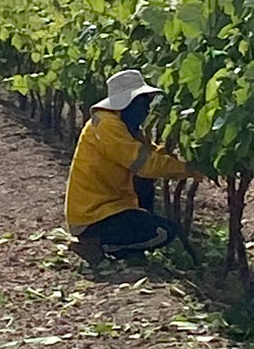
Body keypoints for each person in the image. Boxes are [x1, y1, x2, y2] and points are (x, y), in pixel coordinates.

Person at [64, 69, 201, 265]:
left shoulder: (125, 127)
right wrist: (189, 169)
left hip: (111, 209)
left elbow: (151, 153)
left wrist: (182, 162)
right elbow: (145, 164)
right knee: (162, 233)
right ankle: (97, 245)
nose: (146, 109)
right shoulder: (107, 125)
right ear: (128, 102)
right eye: (143, 102)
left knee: (148, 201)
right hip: (94, 216)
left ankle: (122, 248)